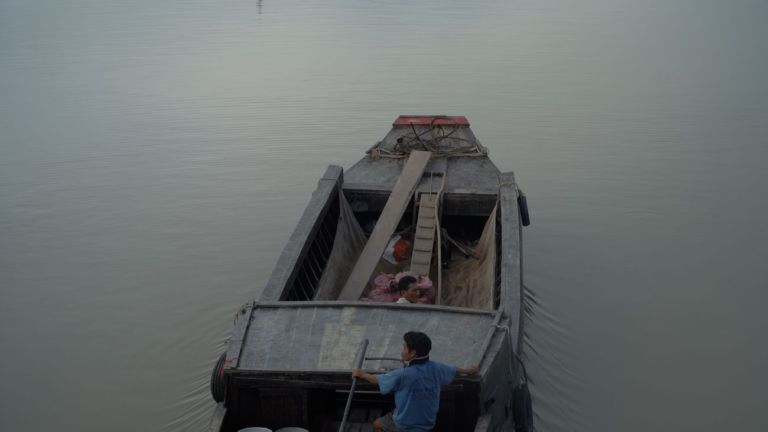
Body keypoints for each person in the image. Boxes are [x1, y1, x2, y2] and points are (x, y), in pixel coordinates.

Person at [352, 332, 479, 432]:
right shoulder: (436, 367)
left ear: (412, 353)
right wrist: (469, 370)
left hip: (405, 424)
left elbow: (377, 380)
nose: (402, 351)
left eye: (404, 348)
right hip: (428, 422)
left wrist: (362, 374)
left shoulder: (402, 374)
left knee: (377, 424)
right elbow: (454, 370)